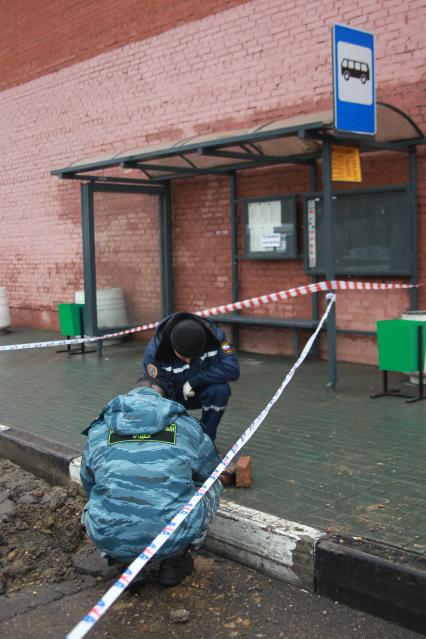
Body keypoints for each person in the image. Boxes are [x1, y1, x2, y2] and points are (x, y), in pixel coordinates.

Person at [79, 377, 223, 587]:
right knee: (212, 486)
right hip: (171, 538)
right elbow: (210, 474)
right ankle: (174, 562)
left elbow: (88, 482)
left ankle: (124, 565)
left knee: (94, 499)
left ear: (131, 396)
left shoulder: (98, 429)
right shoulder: (186, 426)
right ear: (163, 399)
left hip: (110, 536)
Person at [143, 312, 240, 441]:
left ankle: (206, 439)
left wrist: (194, 381)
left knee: (221, 390)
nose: (188, 361)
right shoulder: (155, 354)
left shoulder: (216, 337)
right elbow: (160, 397)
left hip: (198, 389)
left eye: (193, 356)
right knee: (155, 399)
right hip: (171, 394)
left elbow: (232, 369)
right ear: (173, 347)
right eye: (183, 356)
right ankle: (170, 441)